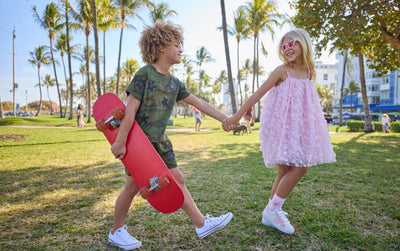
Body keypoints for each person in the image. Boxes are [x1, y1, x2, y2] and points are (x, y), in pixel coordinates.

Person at [108, 22, 233, 250]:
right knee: (132, 188)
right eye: (176, 44)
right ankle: (116, 231)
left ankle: (201, 223)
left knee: (178, 180)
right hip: (140, 145)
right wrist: (121, 142)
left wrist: (225, 118)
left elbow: (200, 103)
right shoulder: (144, 74)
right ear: (161, 47)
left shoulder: (174, 83)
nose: (180, 49)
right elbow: (130, 111)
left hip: (161, 143)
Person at [222, 28, 336, 234]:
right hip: (281, 127)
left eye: (292, 43)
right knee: (300, 168)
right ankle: (273, 210)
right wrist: (236, 116)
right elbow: (257, 94)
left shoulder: (309, 73)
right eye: (283, 46)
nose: (287, 48)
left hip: (299, 127)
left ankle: (272, 211)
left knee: (285, 171)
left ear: (303, 43)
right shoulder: (281, 71)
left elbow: (305, 102)